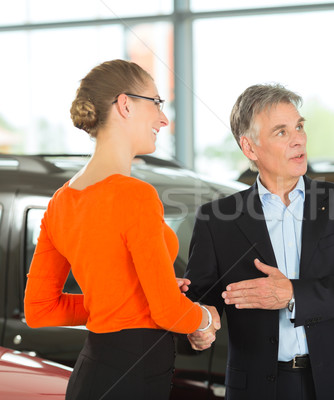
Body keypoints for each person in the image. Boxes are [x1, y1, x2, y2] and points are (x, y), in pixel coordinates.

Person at [23, 59, 216, 400]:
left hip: (92, 372)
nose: (163, 118)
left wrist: (129, 295)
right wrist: (205, 317)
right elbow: (169, 312)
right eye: (157, 103)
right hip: (134, 377)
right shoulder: (135, 195)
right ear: (125, 104)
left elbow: (40, 309)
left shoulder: (60, 201)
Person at [185, 83, 334, 400]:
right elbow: (200, 302)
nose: (298, 139)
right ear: (250, 148)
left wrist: (294, 294)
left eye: (299, 126)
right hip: (260, 389)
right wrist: (197, 328)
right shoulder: (217, 220)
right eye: (281, 132)